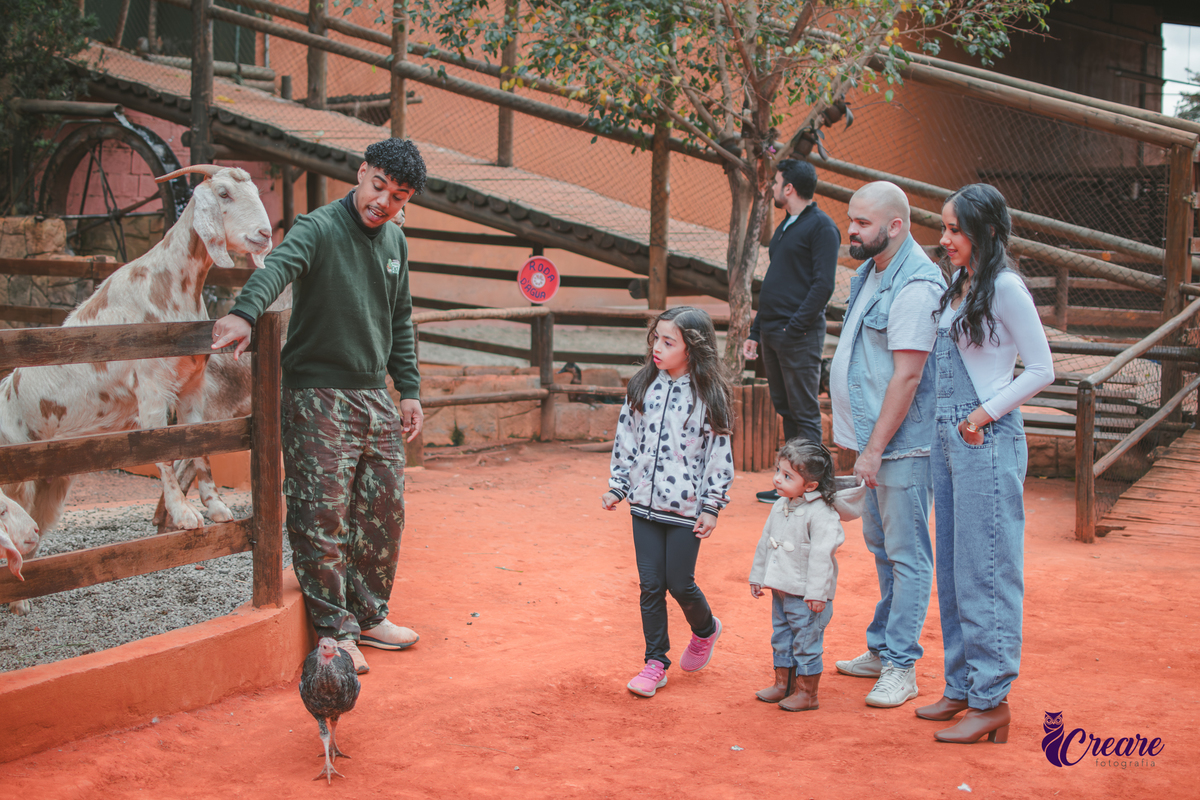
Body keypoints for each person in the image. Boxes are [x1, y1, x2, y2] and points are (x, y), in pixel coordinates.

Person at [210, 138, 427, 675]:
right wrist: (244, 313)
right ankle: (335, 631)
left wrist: (411, 389)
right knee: (321, 514)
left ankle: (370, 615)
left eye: (398, 197)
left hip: (374, 394)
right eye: (379, 186)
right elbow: (276, 269)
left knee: (383, 513)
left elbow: (399, 320)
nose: (384, 202)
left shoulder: (396, 242)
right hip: (316, 394)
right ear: (362, 173)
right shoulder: (319, 227)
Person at [918, 184, 1053, 743]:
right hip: (949, 440)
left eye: (956, 230)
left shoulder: (1004, 286)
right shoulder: (960, 283)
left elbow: (1042, 368)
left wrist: (980, 416)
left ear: (988, 231)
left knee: (986, 568)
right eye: (944, 228)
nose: (945, 239)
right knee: (951, 566)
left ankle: (991, 699)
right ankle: (962, 685)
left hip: (985, 438)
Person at [827, 181, 946, 708]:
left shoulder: (917, 284)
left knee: (907, 554)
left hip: (900, 446)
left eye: (863, 223)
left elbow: (908, 377)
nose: (851, 229)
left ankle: (902, 664)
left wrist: (873, 450)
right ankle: (883, 648)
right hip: (872, 442)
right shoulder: (867, 273)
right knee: (881, 549)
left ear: (895, 226)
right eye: (851, 219)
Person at [601, 306, 735, 698]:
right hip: (642, 505)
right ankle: (655, 662)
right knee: (650, 585)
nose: (657, 347)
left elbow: (718, 455)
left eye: (668, 341)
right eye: (656, 339)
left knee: (680, 583)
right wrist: (618, 487)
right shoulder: (642, 385)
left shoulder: (710, 395)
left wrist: (711, 505)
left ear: (691, 348)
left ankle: (706, 629)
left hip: (685, 509)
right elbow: (626, 440)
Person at [743, 159, 840, 504]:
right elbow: (774, 282)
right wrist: (756, 331)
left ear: (789, 188)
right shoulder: (787, 226)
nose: (771, 187)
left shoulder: (821, 228)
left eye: (776, 182)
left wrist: (794, 326)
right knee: (785, 408)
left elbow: (822, 285)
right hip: (772, 331)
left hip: (796, 334)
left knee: (804, 412)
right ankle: (791, 483)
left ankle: (818, 488)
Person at [749, 439, 845, 712]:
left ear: (811, 486)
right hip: (781, 588)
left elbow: (821, 557)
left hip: (806, 596)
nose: (777, 479)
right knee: (781, 636)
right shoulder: (780, 504)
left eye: (788, 475)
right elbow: (765, 542)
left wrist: (817, 593)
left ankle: (807, 693)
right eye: (778, 471)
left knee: (805, 641)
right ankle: (784, 685)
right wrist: (758, 576)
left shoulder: (822, 514)